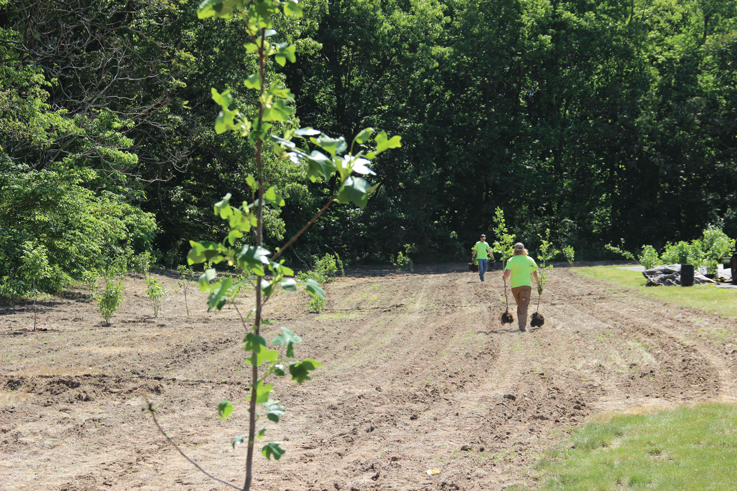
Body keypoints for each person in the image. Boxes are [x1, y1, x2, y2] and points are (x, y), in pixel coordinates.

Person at [502, 242, 541, 332]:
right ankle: (522, 325)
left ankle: (521, 324)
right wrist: (539, 286)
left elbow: (506, 274)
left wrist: (503, 278)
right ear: (524, 250)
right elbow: (535, 274)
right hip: (526, 286)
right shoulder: (529, 260)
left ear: (514, 250)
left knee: (520, 304)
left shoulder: (511, 260)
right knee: (523, 305)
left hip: (515, 286)